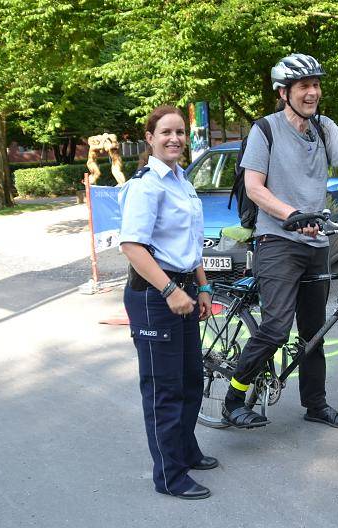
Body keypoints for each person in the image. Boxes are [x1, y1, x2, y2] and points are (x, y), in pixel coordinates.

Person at [222, 53, 338, 429]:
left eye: (316, 85)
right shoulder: (266, 130)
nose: (313, 93)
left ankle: (315, 403)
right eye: (304, 86)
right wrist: (290, 214)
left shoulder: (324, 128)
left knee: (314, 329)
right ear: (283, 92)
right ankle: (233, 398)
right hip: (277, 240)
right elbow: (254, 188)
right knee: (276, 327)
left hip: (316, 242)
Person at [118, 105, 217, 500]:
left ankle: (186, 450)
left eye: (179, 132)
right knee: (164, 390)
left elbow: (190, 245)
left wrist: (203, 287)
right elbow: (132, 246)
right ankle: (169, 475)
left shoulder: (181, 180)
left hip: (184, 291)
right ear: (150, 138)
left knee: (193, 379)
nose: (174, 138)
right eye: (165, 133)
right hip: (154, 296)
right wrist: (170, 291)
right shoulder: (146, 185)